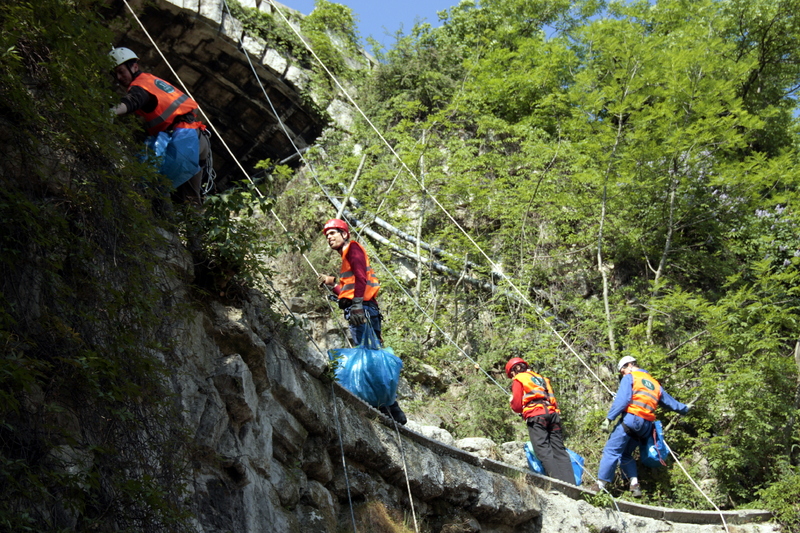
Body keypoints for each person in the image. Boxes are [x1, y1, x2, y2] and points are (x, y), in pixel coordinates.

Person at [317, 218, 406, 425]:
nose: (329, 237)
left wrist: (356, 304)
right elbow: (347, 289)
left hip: (362, 309)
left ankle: (389, 406)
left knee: (369, 356)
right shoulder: (347, 255)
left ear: (344, 234)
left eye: (333, 233)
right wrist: (332, 284)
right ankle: (389, 406)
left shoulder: (353, 248)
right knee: (372, 355)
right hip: (363, 308)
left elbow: (360, 278)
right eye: (327, 235)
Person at [109, 46, 211, 204]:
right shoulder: (153, 81)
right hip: (198, 138)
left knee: (156, 185)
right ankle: (192, 226)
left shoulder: (140, 86)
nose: (119, 77)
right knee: (191, 198)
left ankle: (162, 225)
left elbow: (133, 101)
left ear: (134, 66)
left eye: (121, 71)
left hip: (184, 139)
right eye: (115, 74)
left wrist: (112, 112)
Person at [592, 355, 690, 497]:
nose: (623, 374)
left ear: (629, 365)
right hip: (646, 427)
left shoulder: (630, 378)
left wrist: (609, 418)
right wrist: (684, 408)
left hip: (631, 420)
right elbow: (670, 402)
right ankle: (634, 484)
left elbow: (623, 400)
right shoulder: (654, 383)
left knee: (611, 451)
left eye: (622, 371)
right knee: (625, 454)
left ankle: (600, 485)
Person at [506, 357, 575, 484]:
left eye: (511, 374)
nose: (512, 376)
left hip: (536, 415)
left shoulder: (519, 379)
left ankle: (557, 483)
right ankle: (571, 484)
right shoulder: (541, 378)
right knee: (559, 450)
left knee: (543, 450)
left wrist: (512, 402)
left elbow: (516, 406)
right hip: (552, 414)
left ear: (515, 370)